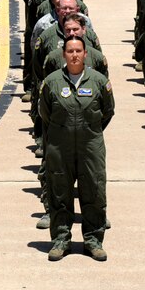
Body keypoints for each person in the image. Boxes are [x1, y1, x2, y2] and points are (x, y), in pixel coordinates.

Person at [39, 35, 115, 261]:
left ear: (85, 54)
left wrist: (87, 131)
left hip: (90, 147)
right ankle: (61, 240)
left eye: (78, 51)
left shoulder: (99, 81)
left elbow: (107, 111)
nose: (74, 55)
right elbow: (45, 114)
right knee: (59, 193)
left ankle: (93, 240)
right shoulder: (52, 82)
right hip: (59, 147)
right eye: (70, 51)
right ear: (64, 54)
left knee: (94, 191)